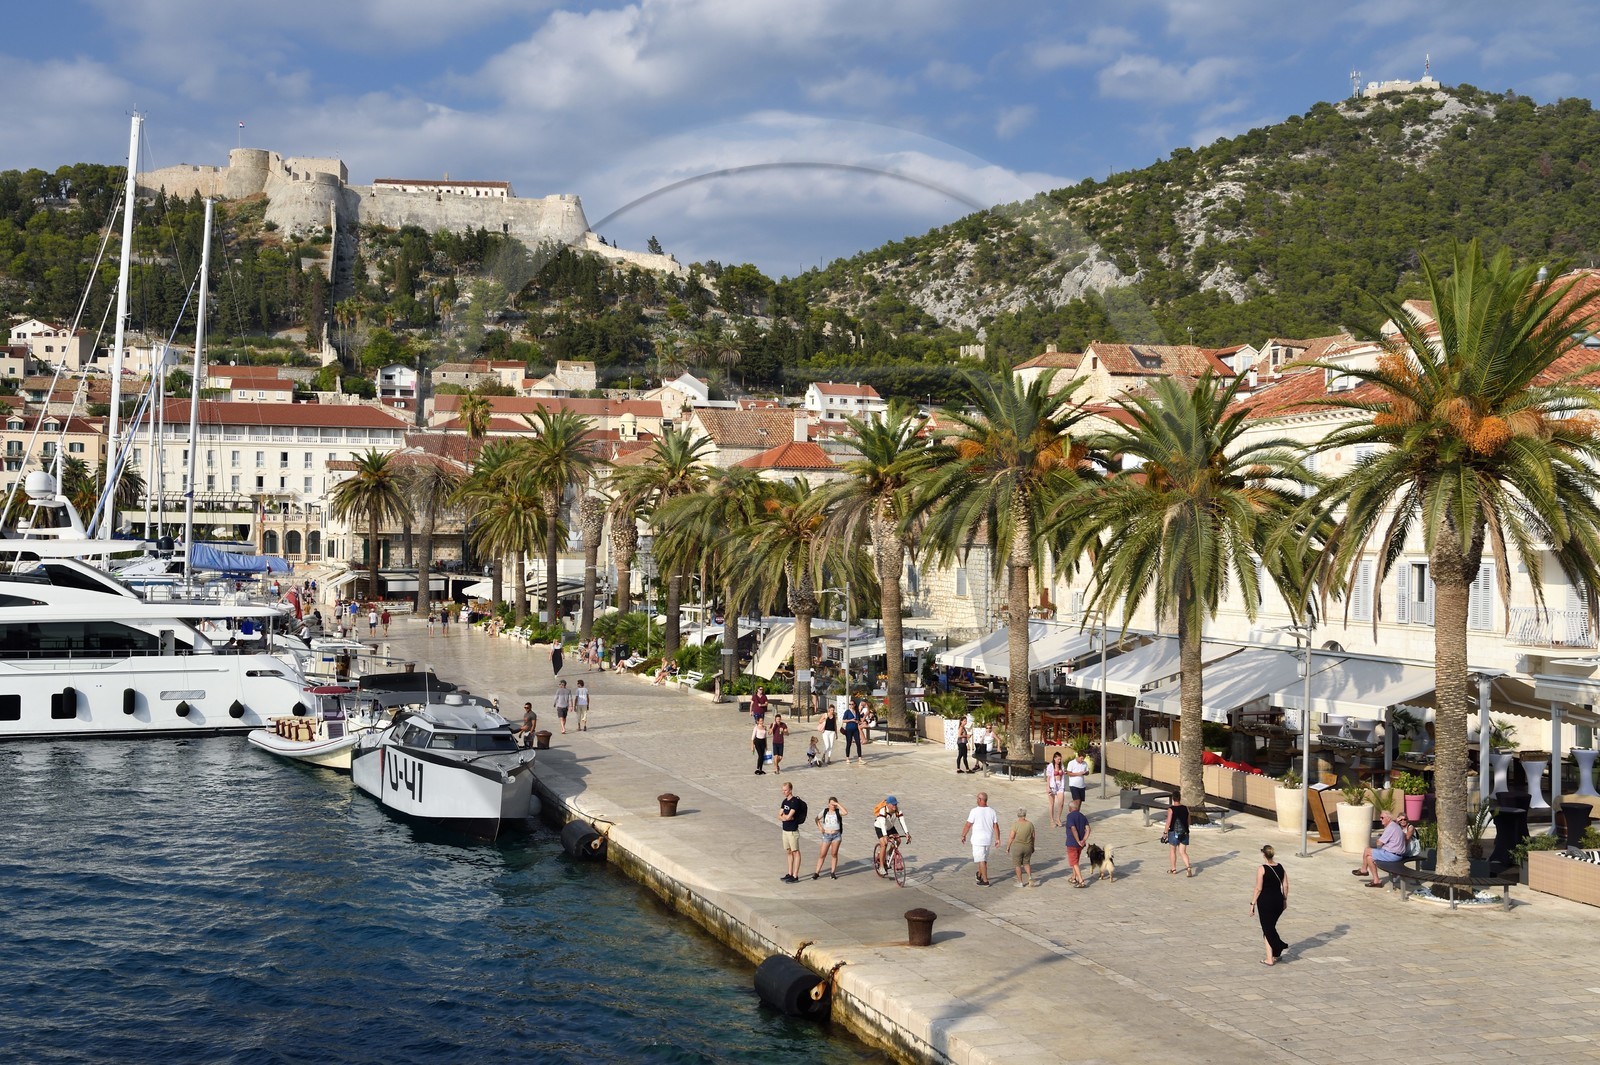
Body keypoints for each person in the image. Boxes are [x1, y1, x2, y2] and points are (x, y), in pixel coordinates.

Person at [1251, 844, 1290, 964]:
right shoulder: (1280, 867)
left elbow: (1258, 888)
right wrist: (1284, 900)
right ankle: (1275, 953)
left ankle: (1272, 955)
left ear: (1264, 855)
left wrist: (1252, 904)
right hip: (1278, 901)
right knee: (1270, 928)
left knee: (1267, 929)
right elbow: (1286, 885)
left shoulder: (1262, 869)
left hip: (1265, 903)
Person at [1355, 810, 1407, 886]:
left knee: (1367, 850)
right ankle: (1377, 881)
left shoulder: (1391, 827)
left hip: (1393, 855)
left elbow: (1379, 843)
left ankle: (1363, 870)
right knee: (1369, 858)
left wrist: (1379, 844)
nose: (1380, 819)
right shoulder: (1394, 826)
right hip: (1395, 854)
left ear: (1388, 818)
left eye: (1382, 817)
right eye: (1380, 817)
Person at [961, 791, 1001, 886]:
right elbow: (996, 826)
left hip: (978, 840)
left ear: (980, 799)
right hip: (987, 839)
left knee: (981, 859)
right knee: (983, 858)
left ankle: (985, 880)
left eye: (977, 798)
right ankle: (979, 874)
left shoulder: (974, 811)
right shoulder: (992, 811)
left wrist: (963, 835)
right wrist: (997, 838)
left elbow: (968, 824)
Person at [813, 796, 847, 880]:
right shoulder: (825, 811)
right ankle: (817, 872)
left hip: (836, 835)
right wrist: (820, 827)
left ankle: (833, 872)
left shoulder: (838, 812)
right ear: (828, 804)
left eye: (834, 804)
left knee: (834, 854)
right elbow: (816, 819)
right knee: (822, 854)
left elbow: (845, 812)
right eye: (832, 804)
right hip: (827, 835)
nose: (833, 806)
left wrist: (838, 804)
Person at [872, 795, 909, 874]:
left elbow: (902, 822)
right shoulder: (883, 811)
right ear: (888, 804)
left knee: (898, 840)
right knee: (884, 844)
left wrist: (907, 833)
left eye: (895, 804)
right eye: (893, 804)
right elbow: (882, 824)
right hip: (880, 827)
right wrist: (885, 836)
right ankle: (881, 867)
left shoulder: (898, 811)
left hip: (890, 827)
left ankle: (889, 854)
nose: (895, 806)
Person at [779, 782, 805, 883]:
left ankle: (795, 875)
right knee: (788, 851)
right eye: (783, 790)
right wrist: (785, 817)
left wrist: (785, 817)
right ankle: (789, 873)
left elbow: (789, 816)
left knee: (795, 852)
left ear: (790, 790)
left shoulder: (795, 802)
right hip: (785, 830)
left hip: (792, 831)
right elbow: (779, 815)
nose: (783, 792)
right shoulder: (784, 802)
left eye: (785, 790)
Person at [1006, 807, 1037, 887]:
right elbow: (1033, 836)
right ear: (1025, 815)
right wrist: (1032, 846)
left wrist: (1008, 847)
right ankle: (1030, 877)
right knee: (1026, 863)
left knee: (1017, 865)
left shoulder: (1015, 825)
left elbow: (1011, 836)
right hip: (1028, 847)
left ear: (1018, 815)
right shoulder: (1030, 824)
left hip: (1017, 847)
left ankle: (1020, 882)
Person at [1063, 798, 1091, 887]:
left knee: (1074, 862)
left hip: (1072, 843)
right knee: (1076, 861)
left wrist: (1078, 840)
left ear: (1070, 808)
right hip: (1080, 845)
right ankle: (1073, 877)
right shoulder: (1083, 816)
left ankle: (1081, 880)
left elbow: (1073, 828)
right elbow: (1088, 829)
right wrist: (1083, 840)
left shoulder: (1070, 816)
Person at [1165, 796, 1193, 876]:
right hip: (1184, 833)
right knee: (1183, 852)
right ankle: (1188, 867)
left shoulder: (1171, 809)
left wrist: (1165, 832)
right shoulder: (1185, 808)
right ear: (1180, 798)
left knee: (1173, 851)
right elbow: (1189, 820)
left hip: (1173, 833)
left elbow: (1168, 822)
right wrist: (1186, 828)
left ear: (1173, 799)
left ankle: (1173, 869)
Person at [1045, 752, 1067, 826]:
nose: (1059, 761)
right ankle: (1051, 820)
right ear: (1054, 758)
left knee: (1061, 803)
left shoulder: (1062, 766)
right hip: (1052, 785)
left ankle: (1058, 818)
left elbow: (1063, 775)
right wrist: (1048, 787)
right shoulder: (1050, 766)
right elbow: (1048, 777)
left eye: (1060, 759)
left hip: (1060, 786)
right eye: (1058, 759)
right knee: (1052, 804)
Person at [841, 696, 863, 764]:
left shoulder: (857, 712)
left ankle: (860, 758)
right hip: (849, 729)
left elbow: (860, 721)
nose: (850, 705)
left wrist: (858, 722)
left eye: (852, 704)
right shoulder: (847, 712)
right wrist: (851, 720)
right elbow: (843, 720)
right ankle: (847, 758)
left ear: (854, 705)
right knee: (849, 743)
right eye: (850, 704)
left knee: (858, 743)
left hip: (855, 729)